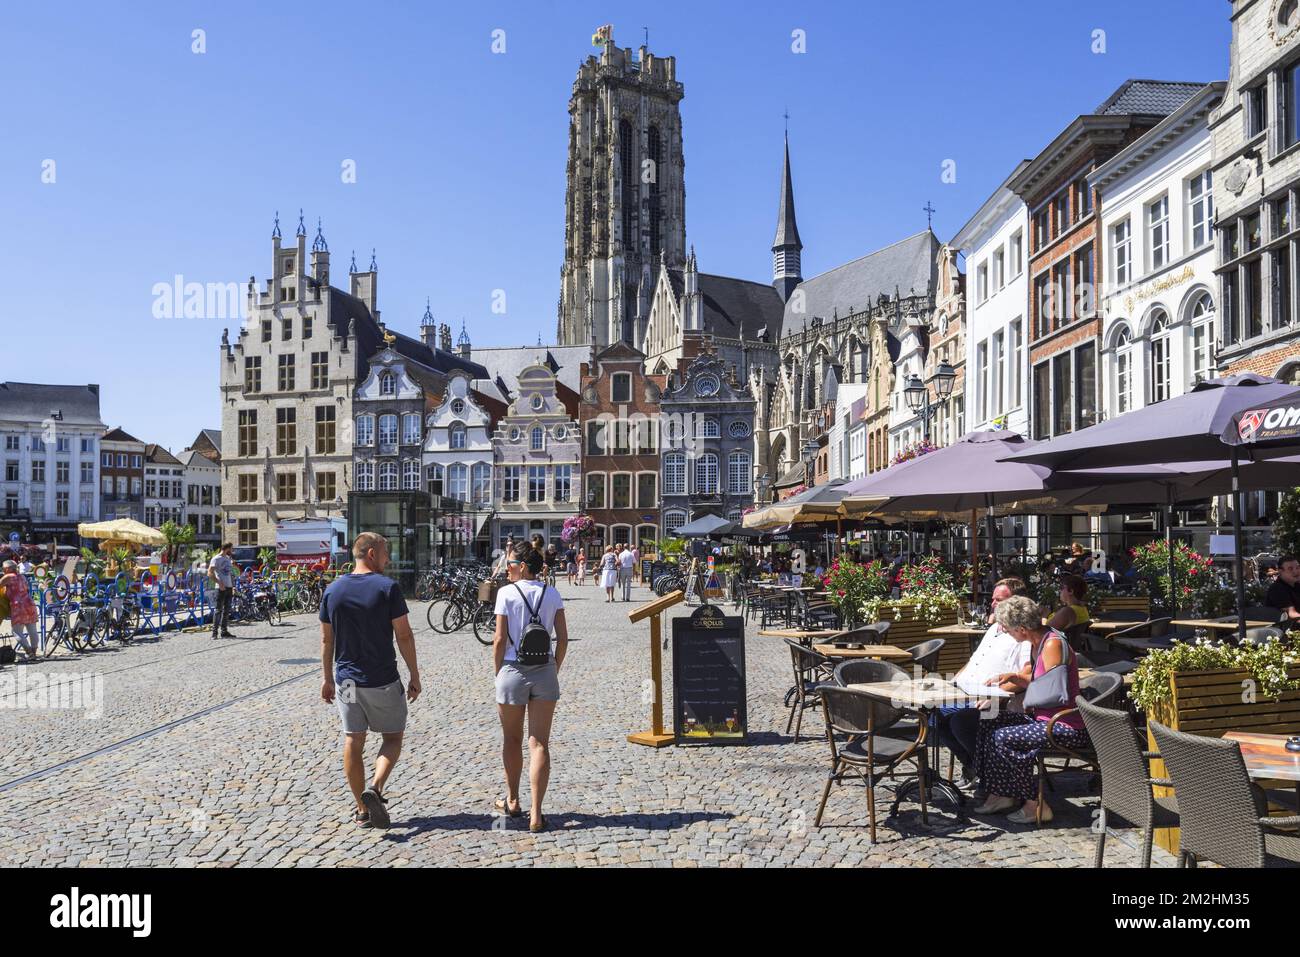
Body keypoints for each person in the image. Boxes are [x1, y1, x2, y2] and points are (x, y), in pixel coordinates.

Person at [319, 532, 421, 829]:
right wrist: (414, 674)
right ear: (372, 553)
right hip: (382, 680)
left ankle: (361, 809)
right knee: (392, 737)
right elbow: (403, 634)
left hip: (347, 682)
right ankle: (375, 787)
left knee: (353, 738)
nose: (389, 558)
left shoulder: (333, 590)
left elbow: (327, 640)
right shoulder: (387, 588)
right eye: (386, 552)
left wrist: (327, 679)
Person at [972, 595, 1089, 824]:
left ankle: (1034, 804)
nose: (1005, 632)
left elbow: (1053, 691)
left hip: (1064, 724)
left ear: (1023, 629)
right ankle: (1001, 793)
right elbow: (1043, 684)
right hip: (1043, 719)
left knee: (1004, 737)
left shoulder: (1052, 644)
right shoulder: (1037, 643)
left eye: (1008, 628)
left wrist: (1019, 687)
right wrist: (1016, 678)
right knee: (987, 721)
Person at [494, 541, 568, 833]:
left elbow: (499, 639)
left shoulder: (506, 594)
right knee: (539, 743)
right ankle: (537, 814)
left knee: (511, 740)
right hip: (544, 671)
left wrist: (498, 672)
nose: (508, 569)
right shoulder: (553, 593)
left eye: (510, 564)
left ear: (522, 566)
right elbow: (562, 638)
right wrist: (554, 668)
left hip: (512, 668)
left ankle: (513, 800)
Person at [935, 577, 1032, 786]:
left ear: (1016, 602)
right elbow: (972, 663)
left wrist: (995, 697)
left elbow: (1027, 674)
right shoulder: (993, 629)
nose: (993, 604)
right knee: (933, 716)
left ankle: (988, 773)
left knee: (959, 721)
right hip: (964, 692)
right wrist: (951, 683)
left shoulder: (1021, 634)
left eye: (999, 600)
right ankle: (975, 766)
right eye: (993, 599)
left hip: (994, 700)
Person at [1, 560, 40, 658]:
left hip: (18, 605)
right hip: (29, 603)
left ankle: (29, 652)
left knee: (16, 631)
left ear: (8, 569)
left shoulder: (8, 577)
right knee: (32, 630)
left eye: (3, 568)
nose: (3, 570)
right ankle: (34, 653)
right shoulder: (22, 576)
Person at [207, 543, 237, 639]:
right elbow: (210, 573)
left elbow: (230, 574)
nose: (232, 551)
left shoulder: (228, 559)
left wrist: (232, 586)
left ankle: (224, 631)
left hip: (228, 587)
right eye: (231, 549)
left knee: (227, 611)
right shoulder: (216, 559)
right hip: (220, 588)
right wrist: (219, 583)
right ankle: (214, 633)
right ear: (227, 549)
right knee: (218, 610)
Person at [1266, 554, 1300, 623]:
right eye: (1290, 569)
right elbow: (1292, 614)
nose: (1296, 571)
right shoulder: (1277, 588)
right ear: (1281, 571)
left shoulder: (1296, 585)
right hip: (1284, 630)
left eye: (1298, 567)